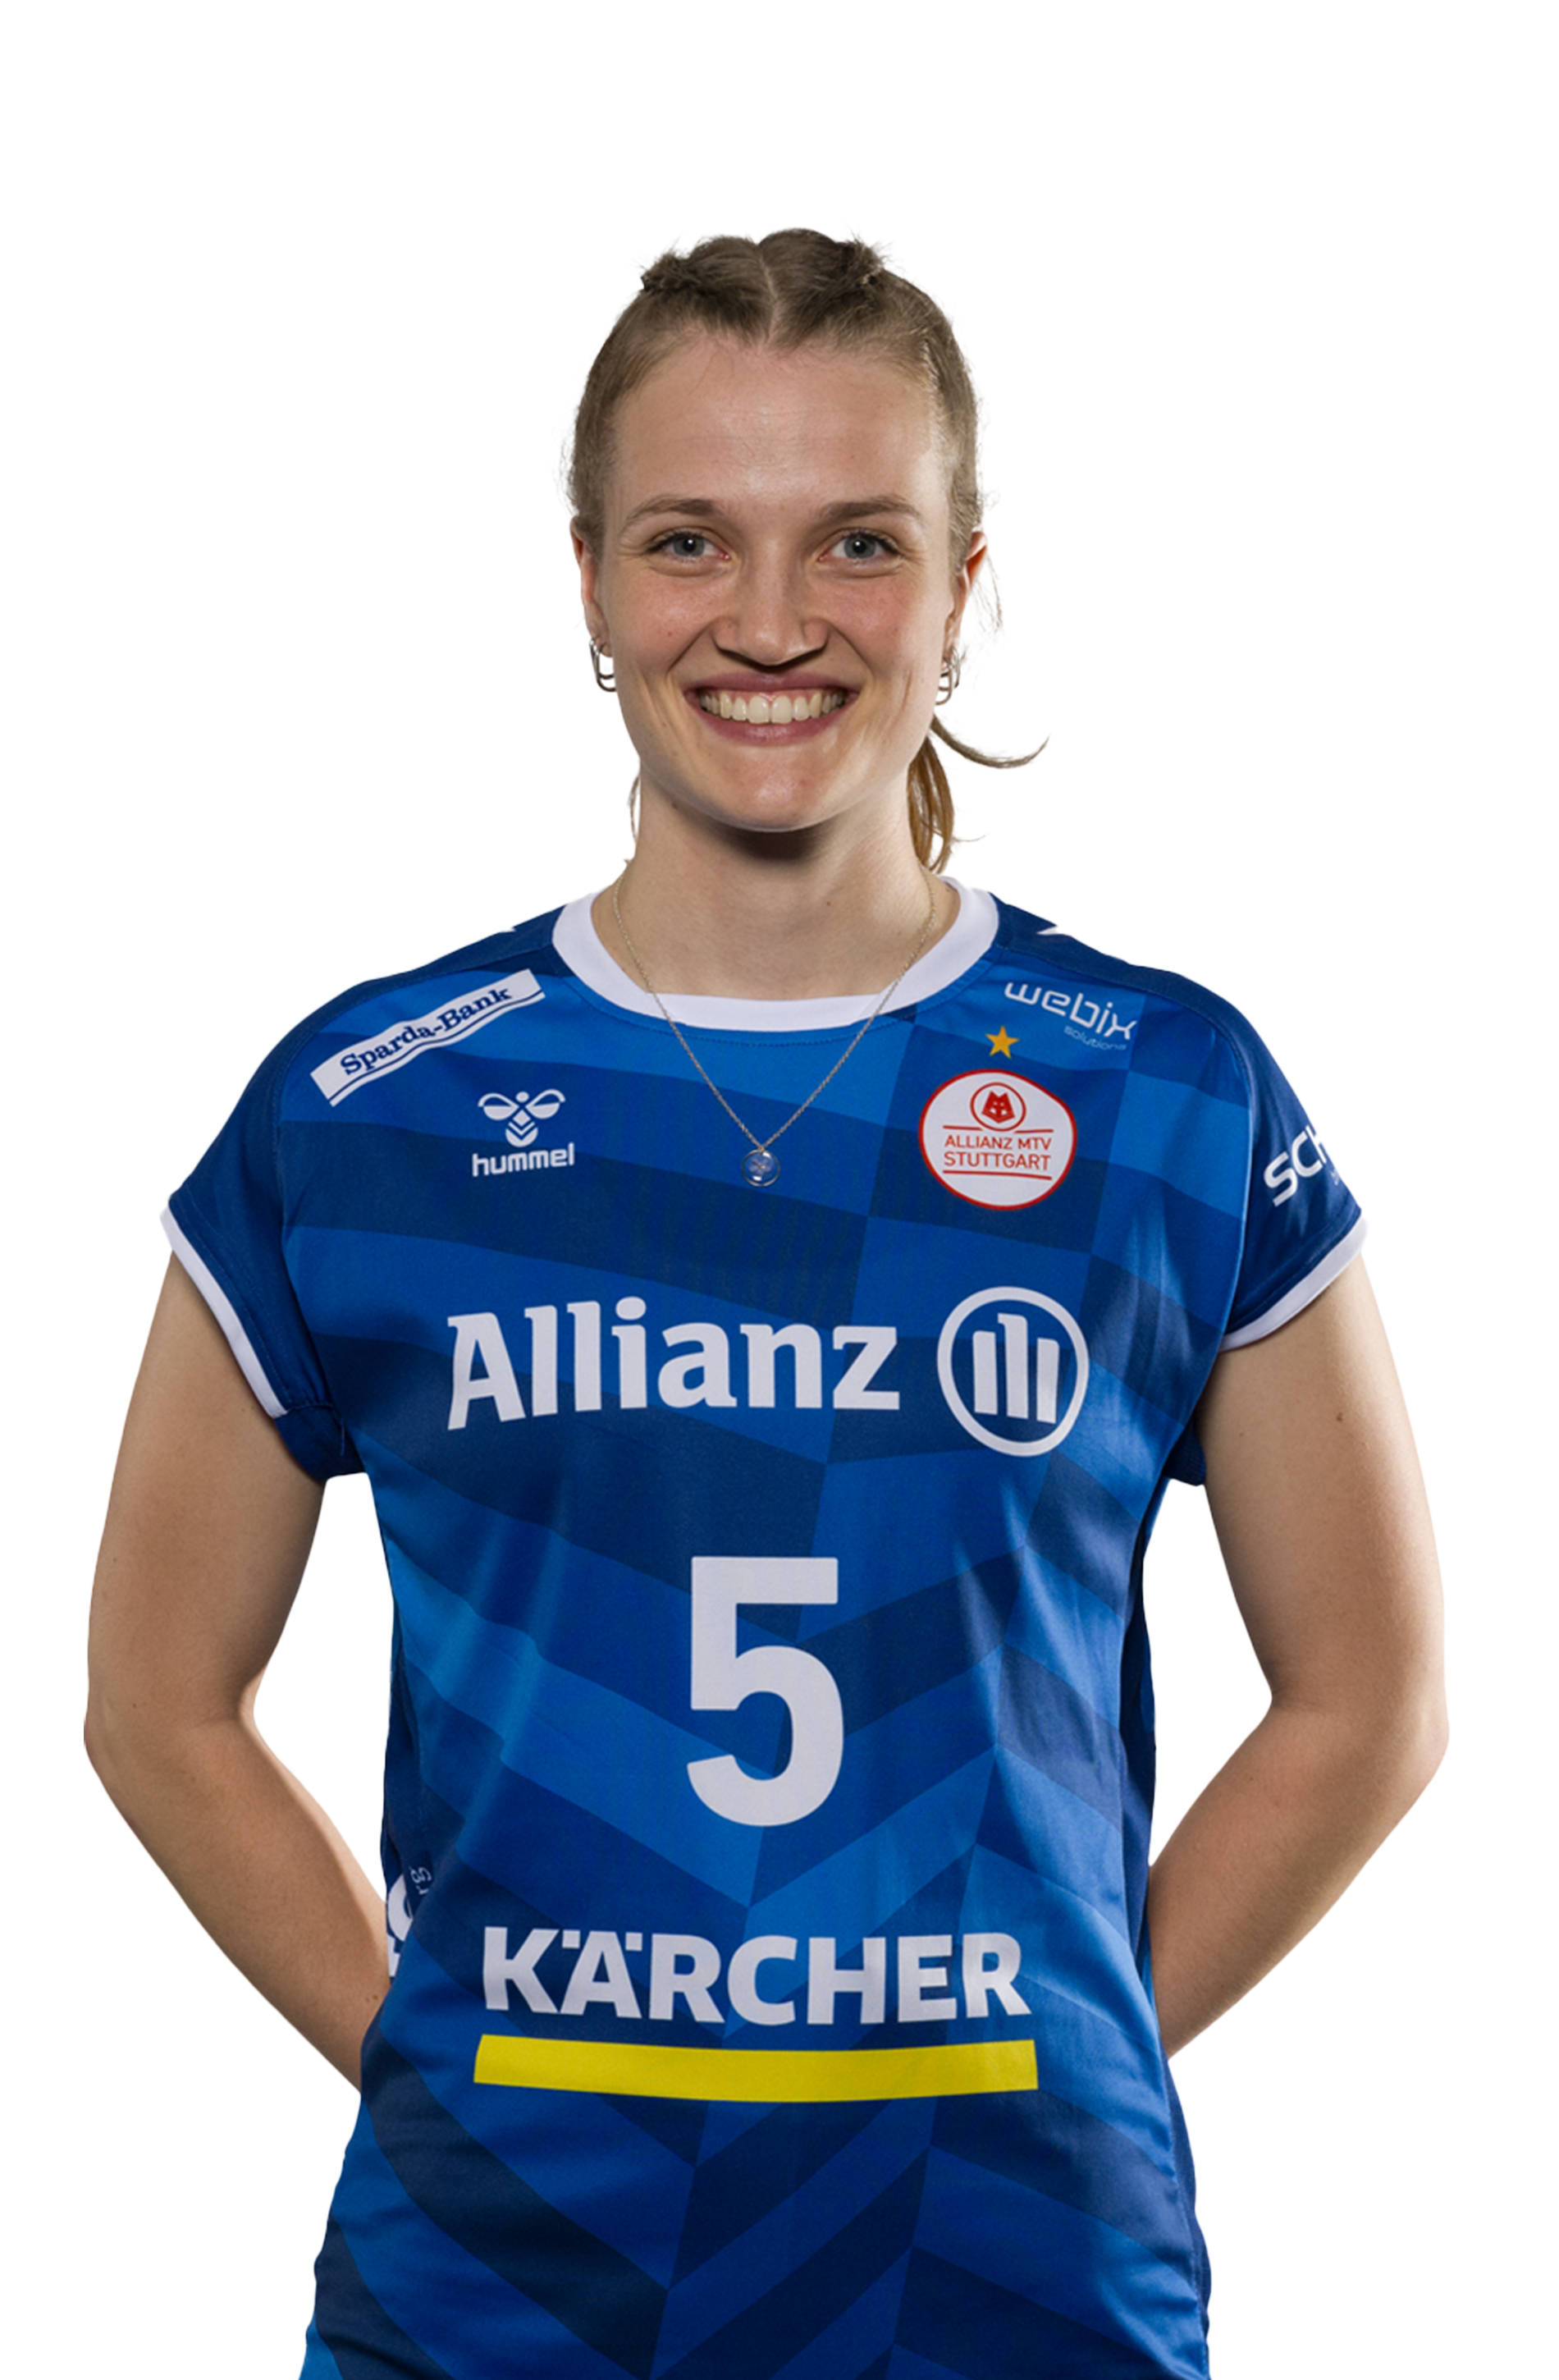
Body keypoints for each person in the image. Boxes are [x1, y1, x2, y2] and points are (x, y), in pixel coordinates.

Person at [86, 230, 1446, 2378]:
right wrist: (448, 2070)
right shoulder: (367, 1101)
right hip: (504, 2299)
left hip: (1010, 2294)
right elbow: (155, 1701)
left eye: (860, 543)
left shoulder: (1163, 1092)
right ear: (587, 581)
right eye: (689, 540)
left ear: (964, 584)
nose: (773, 619)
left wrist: (1053, 2046)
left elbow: (1369, 1695)